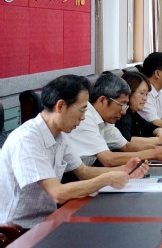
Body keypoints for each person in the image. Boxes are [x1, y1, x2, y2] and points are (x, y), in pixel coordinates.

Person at [0, 75, 148, 229]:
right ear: (60, 106)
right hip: (18, 230)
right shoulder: (26, 139)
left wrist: (124, 170)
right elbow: (58, 193)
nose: (83, 117)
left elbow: (84, 172)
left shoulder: (60, 136)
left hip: (47, 221)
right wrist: (107, 179)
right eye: (82, 110)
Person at [66, 72, 162, 167]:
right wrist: (153, 153)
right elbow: (108, 159)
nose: (124, 111)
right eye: (121, 104)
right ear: (102, 100)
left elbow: (126, 146)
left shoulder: (105, 120)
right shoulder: (86, 117)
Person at [117, 71, 162, 148]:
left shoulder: (133, 113)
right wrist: (160, 140)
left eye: (146, 94)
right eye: (141, 93)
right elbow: (126, 141)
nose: (145, 98)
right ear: (129, 92)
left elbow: (152, 127)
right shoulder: (122, 115)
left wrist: (160, 133)